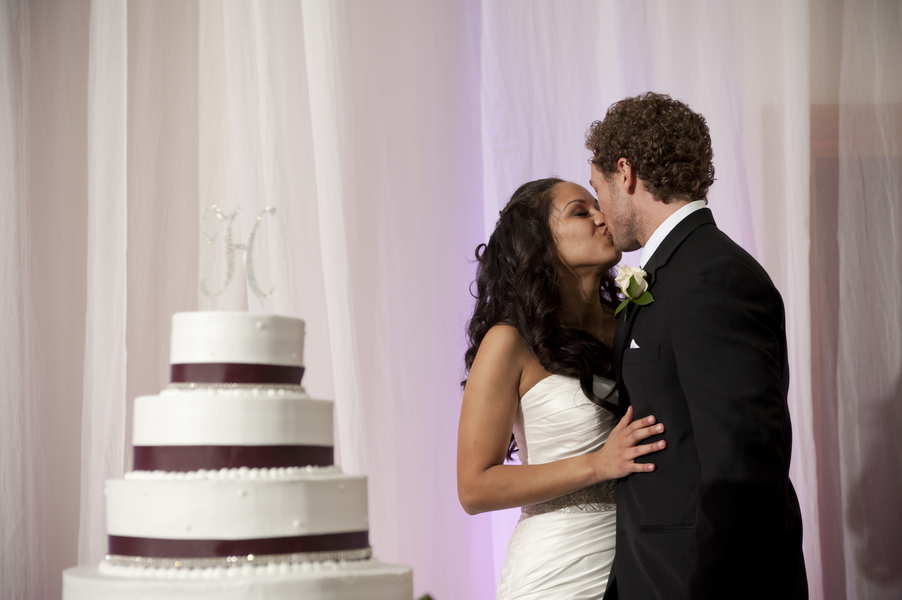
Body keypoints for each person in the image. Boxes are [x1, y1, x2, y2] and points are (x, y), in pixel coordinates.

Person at [586, 92, 808, 600]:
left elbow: (743, 463)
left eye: (598, 191)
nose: (601, 212)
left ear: (626, 173)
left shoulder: (713, 276)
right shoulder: (677, 271)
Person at [457, 177, 667, 599]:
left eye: (596, 206)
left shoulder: (632, 322)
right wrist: (598, 465)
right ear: (539, 243)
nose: (601, 217)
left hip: (644, 561)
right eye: (580, 211)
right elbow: (474, 487)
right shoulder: (510, 342)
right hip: (559, 571)